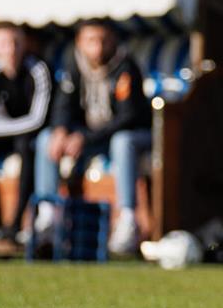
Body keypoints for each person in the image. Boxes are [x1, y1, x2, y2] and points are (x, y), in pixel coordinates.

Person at [33, 19, 152, 254]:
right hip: (92, 139)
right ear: (80, 42)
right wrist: (61, 131)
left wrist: (84, 138)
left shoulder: (126, 67)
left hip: (130, 137)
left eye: (103, 40)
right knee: (47, 138)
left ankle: (128, 219)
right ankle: (48, 215)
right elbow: (63, 106)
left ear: (113, 41)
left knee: (123, 141)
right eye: (91, 41)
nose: (97, 47)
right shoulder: (74, 64)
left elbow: (127, 117)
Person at [0, 22, 52, 243]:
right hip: (3, 137)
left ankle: (16, 224)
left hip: (29, 137)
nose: (11, 49)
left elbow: (38, 119)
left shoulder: (37, 70)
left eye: (16, 43)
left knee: (27, 147)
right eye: (4, 43)